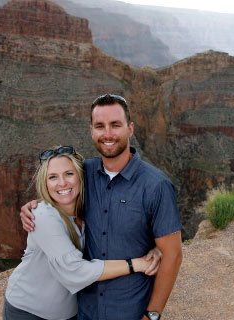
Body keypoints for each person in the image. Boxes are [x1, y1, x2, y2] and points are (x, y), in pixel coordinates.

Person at [21, 94, 182, 320]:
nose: (107, 134)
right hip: (86, 309)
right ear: (91, 131)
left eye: (115, 125)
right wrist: (35, 206)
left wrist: (152, 314)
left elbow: (172, 255)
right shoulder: (83, 173)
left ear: (130, 129)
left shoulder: (156, 186)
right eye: (100, 126)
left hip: (130, 310)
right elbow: (60, 190)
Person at [5, 145, 161, 320]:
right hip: (29, 312)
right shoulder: (43, 217)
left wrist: (156, 247)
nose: (62, 183)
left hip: (71, 313)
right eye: (53, 177)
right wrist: (135, 264)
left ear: (81, 176)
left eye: (69, 174)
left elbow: (128, 225)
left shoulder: (91, 207)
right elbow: (75, 271)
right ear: (45, 183)